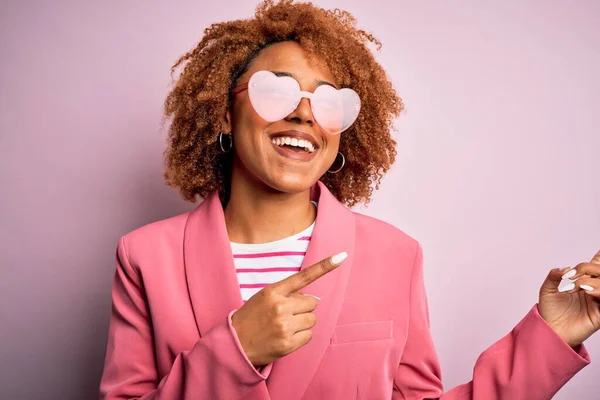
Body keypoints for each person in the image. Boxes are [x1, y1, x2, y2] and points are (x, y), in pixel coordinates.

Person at [98, 1, 597, 398]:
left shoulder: (394, 255)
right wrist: (236, 349)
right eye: (276, 91)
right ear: (225, 115)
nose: (303, 114)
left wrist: (550, 339)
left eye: (329, 102)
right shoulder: (144, 257)